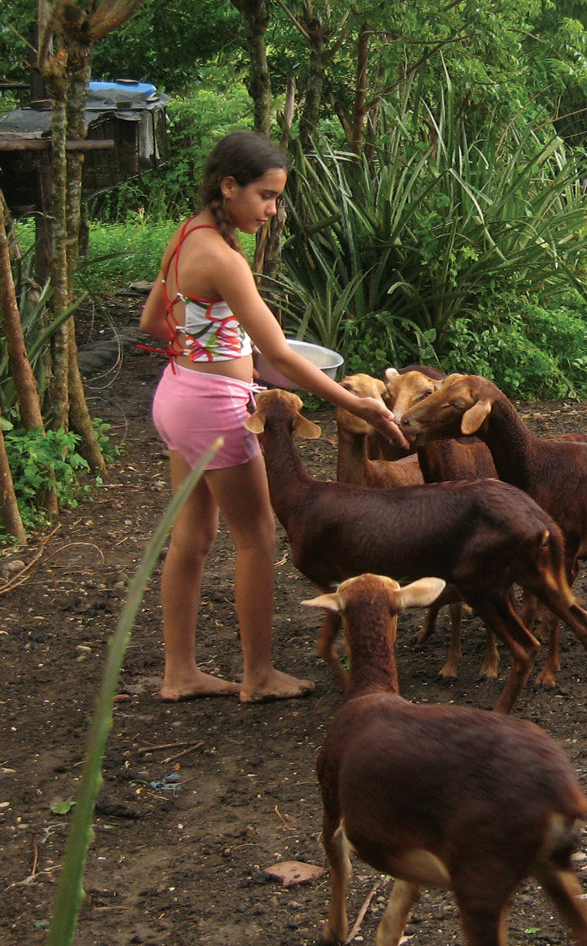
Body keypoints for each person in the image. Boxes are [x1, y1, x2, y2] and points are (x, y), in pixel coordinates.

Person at [140, 131, 408, 702]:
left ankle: (179, 672)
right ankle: (257, 675)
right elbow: (282, 353)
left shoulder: (188, 235)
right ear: (228, 185)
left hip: (178, 395)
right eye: (265, 195)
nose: (272, 209)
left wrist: (222, 355)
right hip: (212, 410)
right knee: (257, 536)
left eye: (278, 198)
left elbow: (156, 324)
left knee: (191, 535)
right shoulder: (222, 256)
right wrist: (352, 400)